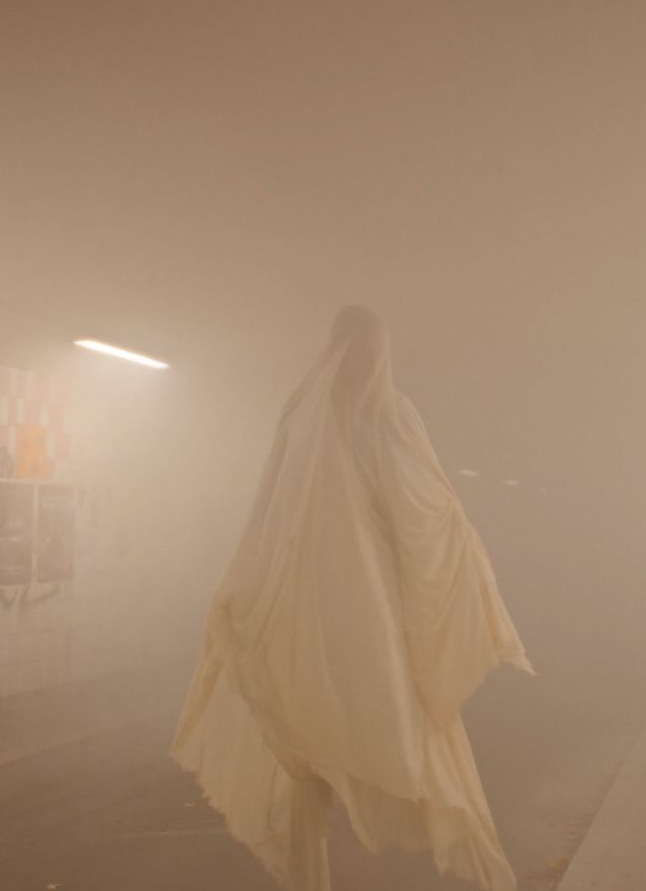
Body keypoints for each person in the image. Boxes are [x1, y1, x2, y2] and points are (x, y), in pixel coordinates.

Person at [173, 306, 533, 891]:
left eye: (376, 355)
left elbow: (423, 508)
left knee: (383, 750)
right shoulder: (310, 415)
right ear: (338, 351)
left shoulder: (393, 417)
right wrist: (252, 586)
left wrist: (448, 543)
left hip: (376, 618)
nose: (367, 368)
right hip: (315, 612)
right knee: (320, 752)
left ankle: (369, 870)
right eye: (359, 354)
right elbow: (275, 511)